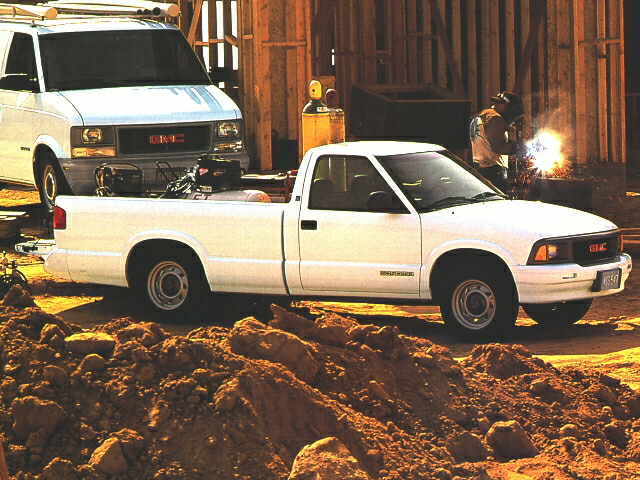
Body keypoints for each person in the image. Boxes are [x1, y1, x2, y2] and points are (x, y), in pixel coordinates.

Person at [469, 91, 525, 193]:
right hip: (493, 171)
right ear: (505, 105)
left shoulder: (483, 115)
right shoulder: (495, 119)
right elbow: (498, 146)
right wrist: (515, 148)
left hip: (480, 168)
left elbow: (488, 139)